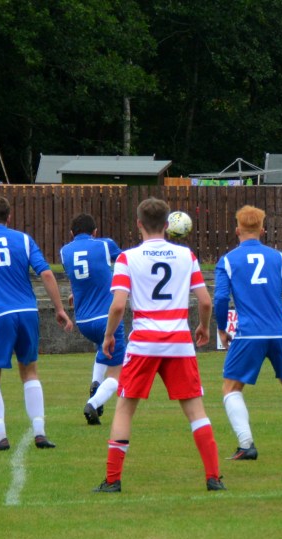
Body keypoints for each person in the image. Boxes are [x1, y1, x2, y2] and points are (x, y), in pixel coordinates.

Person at [93, 197, 224, 493]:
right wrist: (203, 326)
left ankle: (112, 480)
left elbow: (118, 306)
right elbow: (205, 301)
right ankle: (213, 477)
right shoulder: (186, 255)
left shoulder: (127, 258)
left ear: (138, 224)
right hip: (179, 342)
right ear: (167, 225)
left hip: (143, 343)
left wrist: (109, 335)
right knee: (195, 410)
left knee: (125, 409)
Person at [0, 195, 74, 451]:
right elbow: (46, 273)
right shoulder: (24, 239)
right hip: (28, 312)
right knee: (30, 371)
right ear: (9, 217)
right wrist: (59, 309)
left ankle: (0, 436)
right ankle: (40, 433)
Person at [214, 204, 282, 460]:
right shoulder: (279, 258)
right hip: (279, 332)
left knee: (231, 388)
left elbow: (220, 298)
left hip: (249, 333)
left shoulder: (228, 260)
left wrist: (221, 328)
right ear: (262, 230)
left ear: (237, 230)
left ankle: (246, 445)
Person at [59, 213, 126, 425]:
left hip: (83, 321)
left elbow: (80, 276)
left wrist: (74, 293)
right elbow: (127, 264)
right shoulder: (105, 245)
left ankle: (96, 383)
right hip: (107, 317)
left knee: (101, 349)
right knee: (117, 373)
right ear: (95, 232)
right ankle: (93, 403)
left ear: (72, 233)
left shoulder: (64, 252)